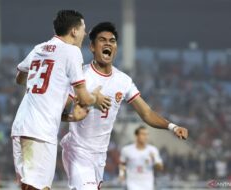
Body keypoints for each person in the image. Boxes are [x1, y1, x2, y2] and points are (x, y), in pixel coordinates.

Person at [60, 22, 188, 190]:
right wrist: (72, 117)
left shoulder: (123, 81)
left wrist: (172, 126)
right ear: (92, 46)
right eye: (102, 40)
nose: (108, 43)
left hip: (99, 155)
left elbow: (147, 113)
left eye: (112, 41)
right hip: (77, 150)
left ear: (116, 47)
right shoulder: (81, 76)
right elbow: (57, 110)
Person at [11, 10, 111, 190]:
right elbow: (83, 97)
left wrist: (43, 88)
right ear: (74, 31)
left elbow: (19, 78)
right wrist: (96, 97)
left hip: (21, 125)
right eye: (83, 29)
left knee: (28, 186)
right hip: (40, 131)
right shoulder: (72, 52)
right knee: (39, 187)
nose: (85, 34)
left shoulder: (39, 48)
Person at [119, 126, 163, 190]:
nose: (146, 137)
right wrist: (121, 174)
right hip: (132, 183)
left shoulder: (153, 150)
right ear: (136, 136)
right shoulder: (126, 150)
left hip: (147, 183)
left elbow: (160, 168)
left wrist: (155, 159)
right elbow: (122, 164)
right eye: (143, 134)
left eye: (147, 134)